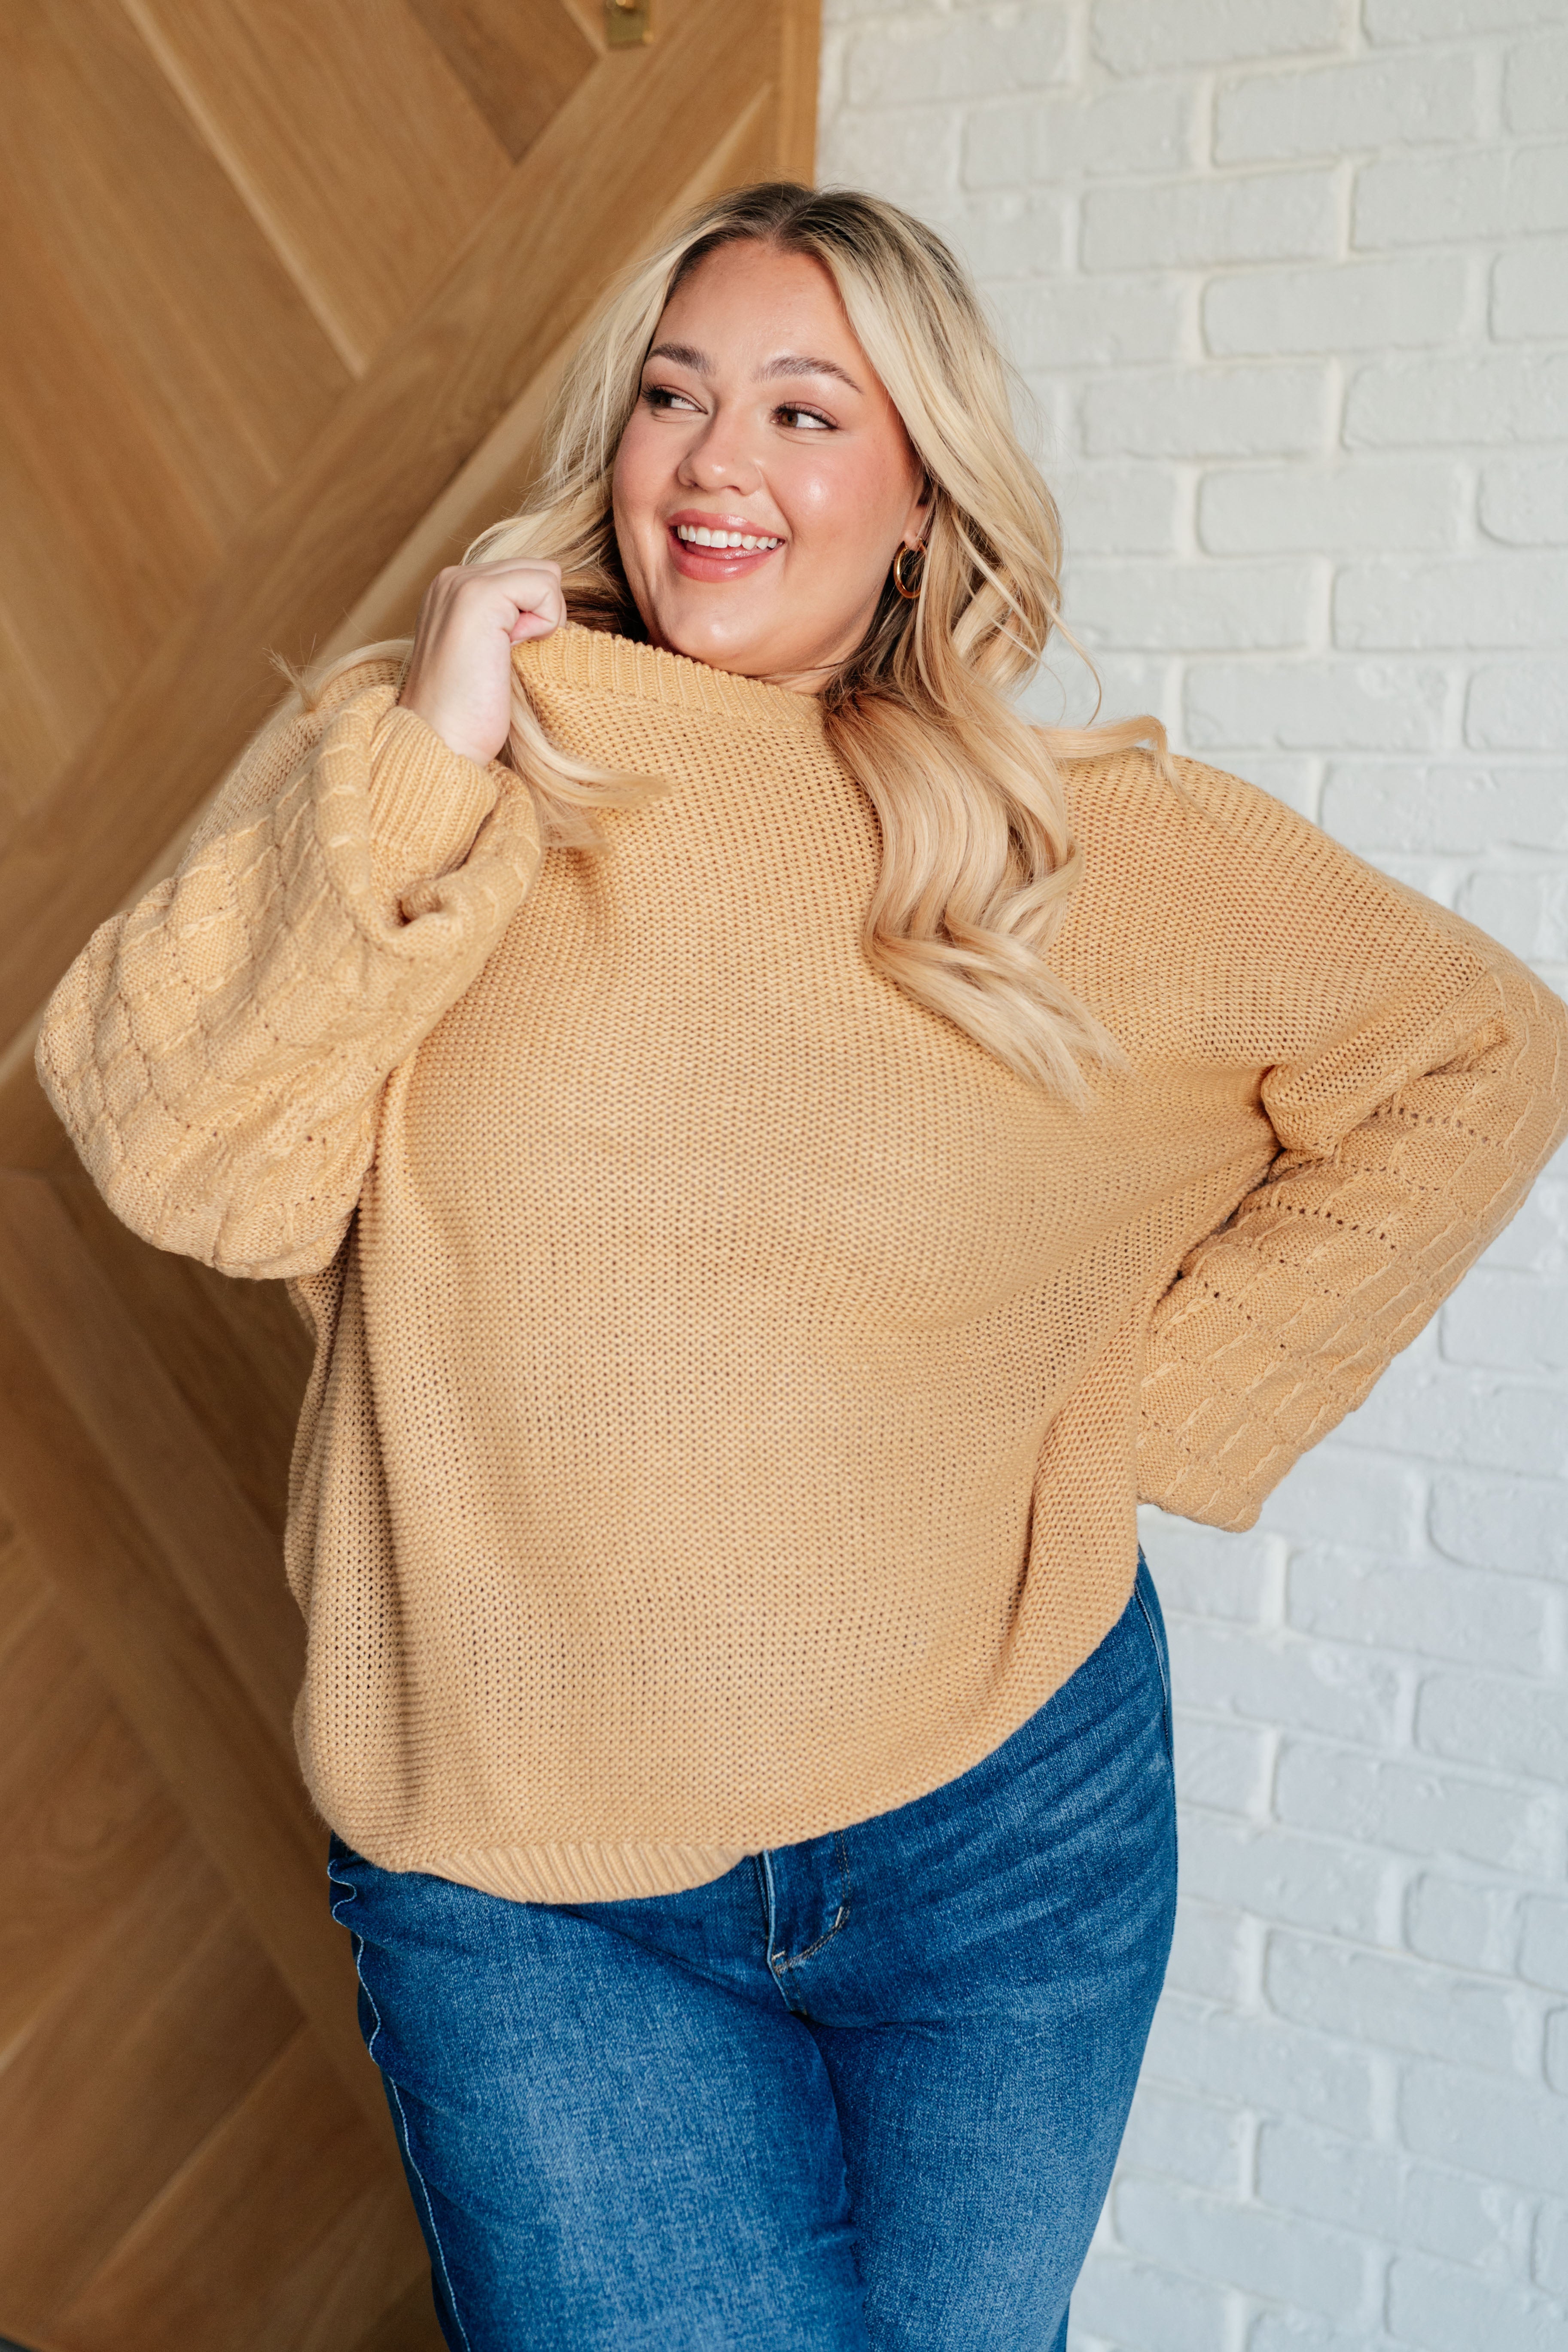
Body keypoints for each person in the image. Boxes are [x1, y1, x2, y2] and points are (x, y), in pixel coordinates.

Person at [36, 182, 1568, 2352]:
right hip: (527, 1883)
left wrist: (1155, 1412)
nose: (714, 461)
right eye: (671, 396)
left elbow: (1480, 1051)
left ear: (921, 490)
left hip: (1000, 1821)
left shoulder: (1078, 844)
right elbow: (178, 1149)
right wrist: (437, 738)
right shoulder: (448, 775)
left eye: (800, 407)